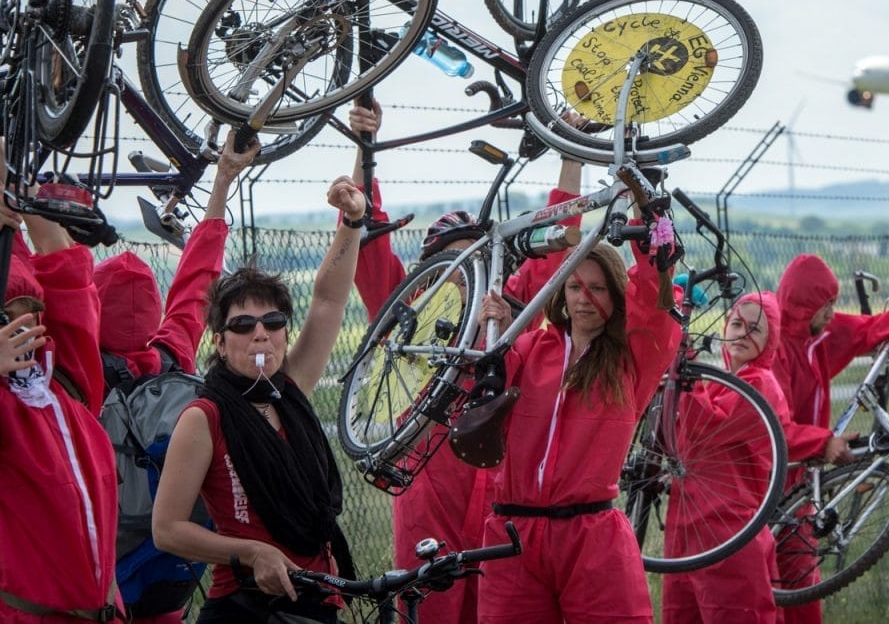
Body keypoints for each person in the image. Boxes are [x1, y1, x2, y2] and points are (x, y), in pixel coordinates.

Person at [348, 101, 584, 623]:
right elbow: (371, 241)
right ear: (428, 270)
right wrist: (366, 151)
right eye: (454, 260)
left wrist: (571, 149)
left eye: (479, 257)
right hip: (428, 492)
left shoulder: (509, 308)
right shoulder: (406, 315)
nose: (467, 271)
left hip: (498, 492)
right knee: (433, 607)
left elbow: (560, 243)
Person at [152, 175, 366, 624]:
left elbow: (329, 299)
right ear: (219, 339)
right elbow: (167, 529)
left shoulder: (289, 390)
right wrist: (251, 552)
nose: (260, 334)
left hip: (315, 600)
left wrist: (352, 220)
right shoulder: (204, 417)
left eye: (271, 321)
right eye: (243, 325)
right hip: (244, 607)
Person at [474, 233, 682, 623]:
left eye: (597, 288)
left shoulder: (632, 359)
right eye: (574, 286)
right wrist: (500, 332)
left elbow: (656, 291)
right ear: (561, 292)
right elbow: (485, 396)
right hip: (512, 537)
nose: (584, 298)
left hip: (592, 536)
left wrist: (642, 213)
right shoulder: (529, 347)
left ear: (617, 294)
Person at [94, 135, 259, 624]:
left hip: (102, 577)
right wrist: (223, 180)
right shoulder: (172, 355)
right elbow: (197, 278)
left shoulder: (77, 367)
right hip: (171, 570)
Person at [772, 252, 889, 624]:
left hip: (803, 485)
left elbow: (869, 327)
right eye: (827, 305)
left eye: (834, 303)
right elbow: (773, 428)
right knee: (768, 595)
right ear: (805, 306)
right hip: (768, 486)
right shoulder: (775, 352)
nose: (833, 312)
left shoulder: (817, 336)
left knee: (802, 589)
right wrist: (822, 443)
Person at [0, 209, 120, 622]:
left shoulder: (66, 381)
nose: (21, 323)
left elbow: (64, 266)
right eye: (3, 314)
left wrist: (19, 192)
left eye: (29, 308)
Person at [662, 291, 799, 623]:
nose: (743, 334)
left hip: (728, 531)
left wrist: (684, 366)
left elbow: (704, 425)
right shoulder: (724, 382)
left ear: (771, 340)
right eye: (737, 324)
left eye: (755, 329)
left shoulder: (760, 385)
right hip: (690, 526)